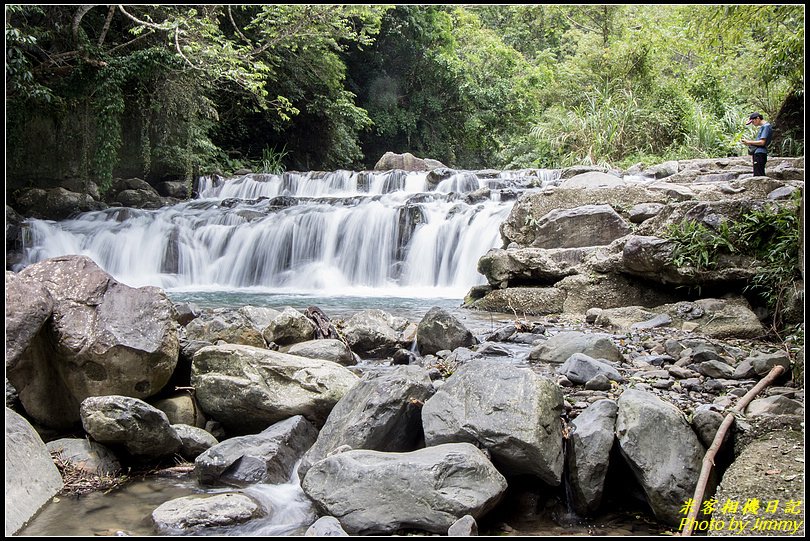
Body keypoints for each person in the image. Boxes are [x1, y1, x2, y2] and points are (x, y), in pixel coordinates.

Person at [741, 112, 773, 177]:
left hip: (760, 153)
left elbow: (762, 142)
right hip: (759, 152)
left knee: (758, 174)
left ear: (758, 118)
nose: (753, 123)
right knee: (758, 173)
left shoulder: (766, 127)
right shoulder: (764, 127)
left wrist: (749, 142)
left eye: (753, 121)